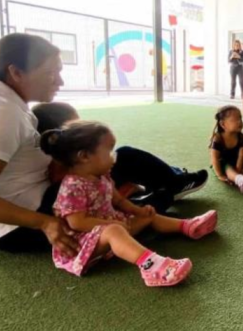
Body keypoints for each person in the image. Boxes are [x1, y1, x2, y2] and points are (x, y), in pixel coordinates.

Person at [0, 33, 203, 253]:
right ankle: (163, 192)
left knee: (114, 160)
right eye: (51, 73)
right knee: (144, 195)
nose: (59, 81)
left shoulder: (8, 103)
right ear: (16, 72)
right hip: (12, 227)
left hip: (43, 196)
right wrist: (43, 223)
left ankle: (170, 184)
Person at [41, 120, 217, 286]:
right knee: (114, 231)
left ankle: (187, 226)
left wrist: (138, 211)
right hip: (82, 244)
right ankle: (151, 267)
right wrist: (111, 224)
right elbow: (78, 222)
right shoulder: (72, 186)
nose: (114, 157)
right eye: (109, 151)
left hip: (112, 225)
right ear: (85, 156)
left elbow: (118, 199)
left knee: (148, 213)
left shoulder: (102, 176)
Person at [32, 102, 208, 211]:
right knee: (125, 155)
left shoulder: (59, 157)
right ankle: (173, 182)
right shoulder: (63, 174)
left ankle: (171, 178)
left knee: (120, 157)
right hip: (99, 209)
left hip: (103, 196)